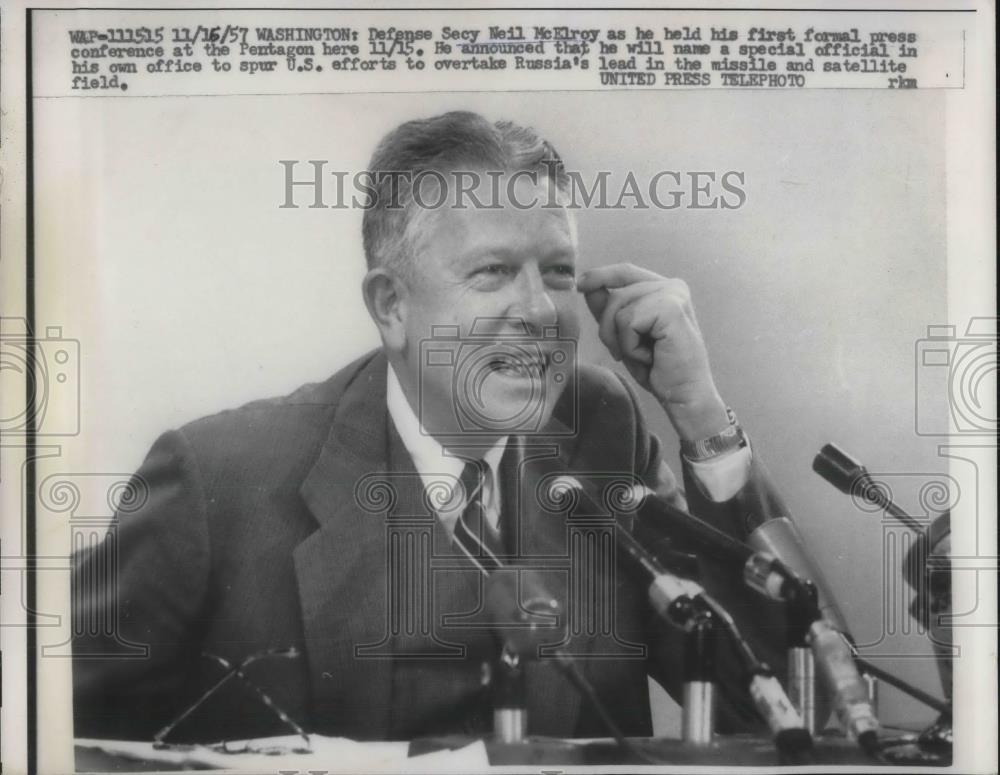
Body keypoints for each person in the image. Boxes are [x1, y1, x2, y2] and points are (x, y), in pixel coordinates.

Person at [73, 111, 797, 744]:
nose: (542, 312)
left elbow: (785, 709)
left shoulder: (598, 433)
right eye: (492, 272)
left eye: (557, 272)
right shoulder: (217, 480)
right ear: (391, 306)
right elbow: (44, 735)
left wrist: (699, 411)